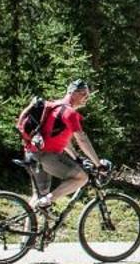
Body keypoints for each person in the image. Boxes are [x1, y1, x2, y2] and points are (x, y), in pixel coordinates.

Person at [24, 79, 105, 209]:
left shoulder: (54, 106)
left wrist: (76, 157)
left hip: (32, 153)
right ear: (73, 93)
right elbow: (82, 139)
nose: (86, 98)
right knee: (81, 178)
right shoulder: (70, 113)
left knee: (37, 196)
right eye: (84, 94)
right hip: (47, 156)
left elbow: (60, 139)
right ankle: (48, 200)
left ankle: (29, 228)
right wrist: (98, 164)